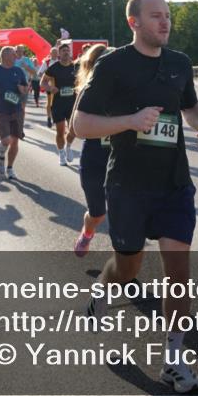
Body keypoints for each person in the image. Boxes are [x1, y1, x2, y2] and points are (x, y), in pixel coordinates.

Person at [72, 0, 198, 394]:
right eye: (156, 16)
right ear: (134, 22)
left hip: (173, 185)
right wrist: (130, 121)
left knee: (179, 277)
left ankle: (173, 361)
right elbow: (81, 123)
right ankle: (103, 288)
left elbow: (190, 106)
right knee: (127, 270)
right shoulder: (113, 65)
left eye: (167, 16)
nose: (165, 23)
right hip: (128, 187)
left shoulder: (179, 64)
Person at [71, 43, 112, 256]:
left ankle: (124, 265)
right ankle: (87, 233)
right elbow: (75, 129)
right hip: (94, 158)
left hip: (120, 157)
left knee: (124, 213)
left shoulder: (125, 90)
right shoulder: (86, 90)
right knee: (97, 213)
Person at [0, 46, 30, 180]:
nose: (16, 57)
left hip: (17, 110)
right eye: (13, 55)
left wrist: (23, 89)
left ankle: (10, 168)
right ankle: (1, 156)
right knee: (6, 140)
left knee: (15, 141)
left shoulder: (18, 71)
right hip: (1, 110)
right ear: (5, 56)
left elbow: (26, 88)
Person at [41, 44, 78, 166]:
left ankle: (68, 146)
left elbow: (82, 80)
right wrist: (50, 88)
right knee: (60, 131)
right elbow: (43, 82)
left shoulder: (75, 66)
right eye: (63, 51)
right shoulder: (54, 67)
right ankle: (61, 154)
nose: (66, 52)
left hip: (73, 103)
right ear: (59, 53)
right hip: (58, 103)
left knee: (74, 130)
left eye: (68, 50)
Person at [38, 46, 60, 128]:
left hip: (59, 84)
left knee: (59, 102)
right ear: (50, 54)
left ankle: (57, 118)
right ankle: (49, 118)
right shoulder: (46, 62)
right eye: (53, 53)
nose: (55, 54)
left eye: (56, 52)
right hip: (50, 85)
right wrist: (46, 77)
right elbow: (39, 73)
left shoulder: (61, 61)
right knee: (50, 102)